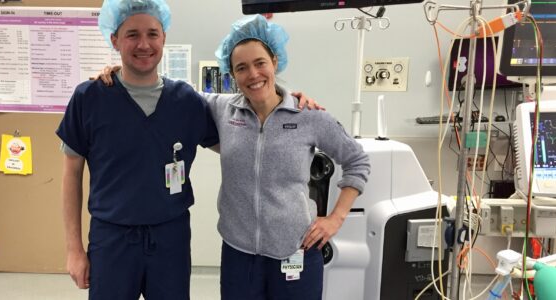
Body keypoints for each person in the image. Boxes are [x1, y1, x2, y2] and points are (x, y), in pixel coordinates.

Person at [55, 0, 218, 299]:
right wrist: (74, 249)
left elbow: (239, 138)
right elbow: (71, 175)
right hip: (111, 238)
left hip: (170, 238)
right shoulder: (89, 98)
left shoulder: (187, 102)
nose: (144, 44)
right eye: (132, 34)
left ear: (164, 37)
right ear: (114, 39)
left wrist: (285, 103)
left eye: (153, 33)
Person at [207, 15, 371, 299]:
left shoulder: (308, 116)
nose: (253, 74)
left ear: (274, 61)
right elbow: (170, 93)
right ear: (232, 74)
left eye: (260, 63)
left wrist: (335, 218)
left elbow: (357, 160)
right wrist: (118, 73)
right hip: (239, 254)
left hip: (296, 250)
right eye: (241, 68)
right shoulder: (222, 110)